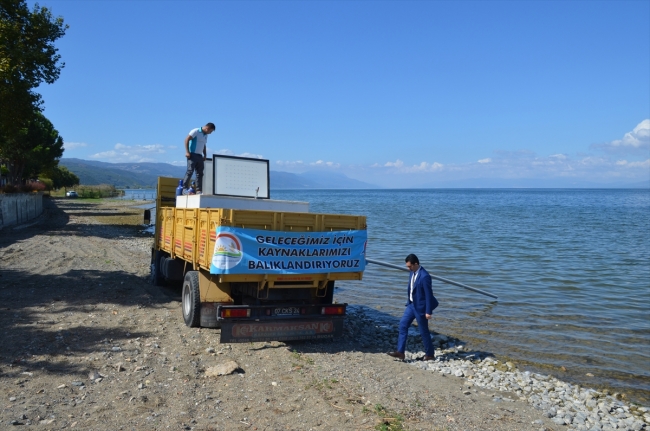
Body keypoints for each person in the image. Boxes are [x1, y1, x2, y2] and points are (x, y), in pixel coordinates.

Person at [387, 254, 439, 361]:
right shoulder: (412, 272)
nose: (408, 268)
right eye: (407, 266)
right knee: (402, 325)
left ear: (416, 264)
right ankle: (400, 352)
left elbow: (429, 295)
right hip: (411, 305)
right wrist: (409, 302)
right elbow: (411, 288)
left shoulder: (425, 276)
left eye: (409, 266)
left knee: (423, 331)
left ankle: (430, 354)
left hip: (421, 308)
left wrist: (428, 311)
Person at [182, 122, 215, 194]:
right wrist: (187, 152)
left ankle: (199, 190)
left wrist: (205, 154)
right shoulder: (196, 131)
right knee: (190, 171)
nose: (210, 133)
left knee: (200, 173)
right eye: (210, 131)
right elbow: (186, 139)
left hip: (200, 155)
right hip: (192, 154)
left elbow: (204, 145)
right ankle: (184, 188)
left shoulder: (205, 135)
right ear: (207, 128)